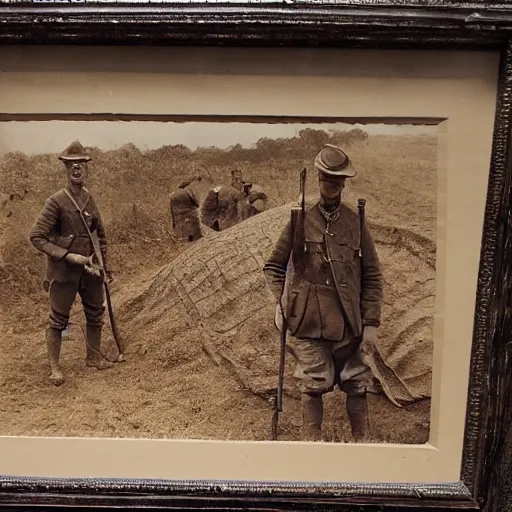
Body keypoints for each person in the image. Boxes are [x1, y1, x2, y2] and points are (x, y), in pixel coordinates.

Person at [262, 143, 383, 442]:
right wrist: (284, 302)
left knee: (356, 381)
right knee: (313, 383)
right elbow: (273, 267)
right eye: (326, 179)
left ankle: (361, 442)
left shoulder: (356, 222)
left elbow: (373, 275)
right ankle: (311, 445)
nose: (331, 186)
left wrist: (371, 323)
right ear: (317, 180)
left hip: (348, 322)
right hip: (309, 322)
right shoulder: (299, 219)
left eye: (337, 180)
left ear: (344, 183)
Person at [29, 140, 113, 386]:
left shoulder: (90, 199)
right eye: (72, 165)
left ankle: (94, 358)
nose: (77, 169)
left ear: (87, 169)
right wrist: (67, 255)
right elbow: (36, 237)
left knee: (96, 312)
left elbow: (102, 236)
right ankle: (55, 368)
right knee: (58, 319)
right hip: (64, 271)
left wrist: (106, 267)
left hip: (91, 270)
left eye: (81, 165)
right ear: (65, 169)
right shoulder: (56, 201)